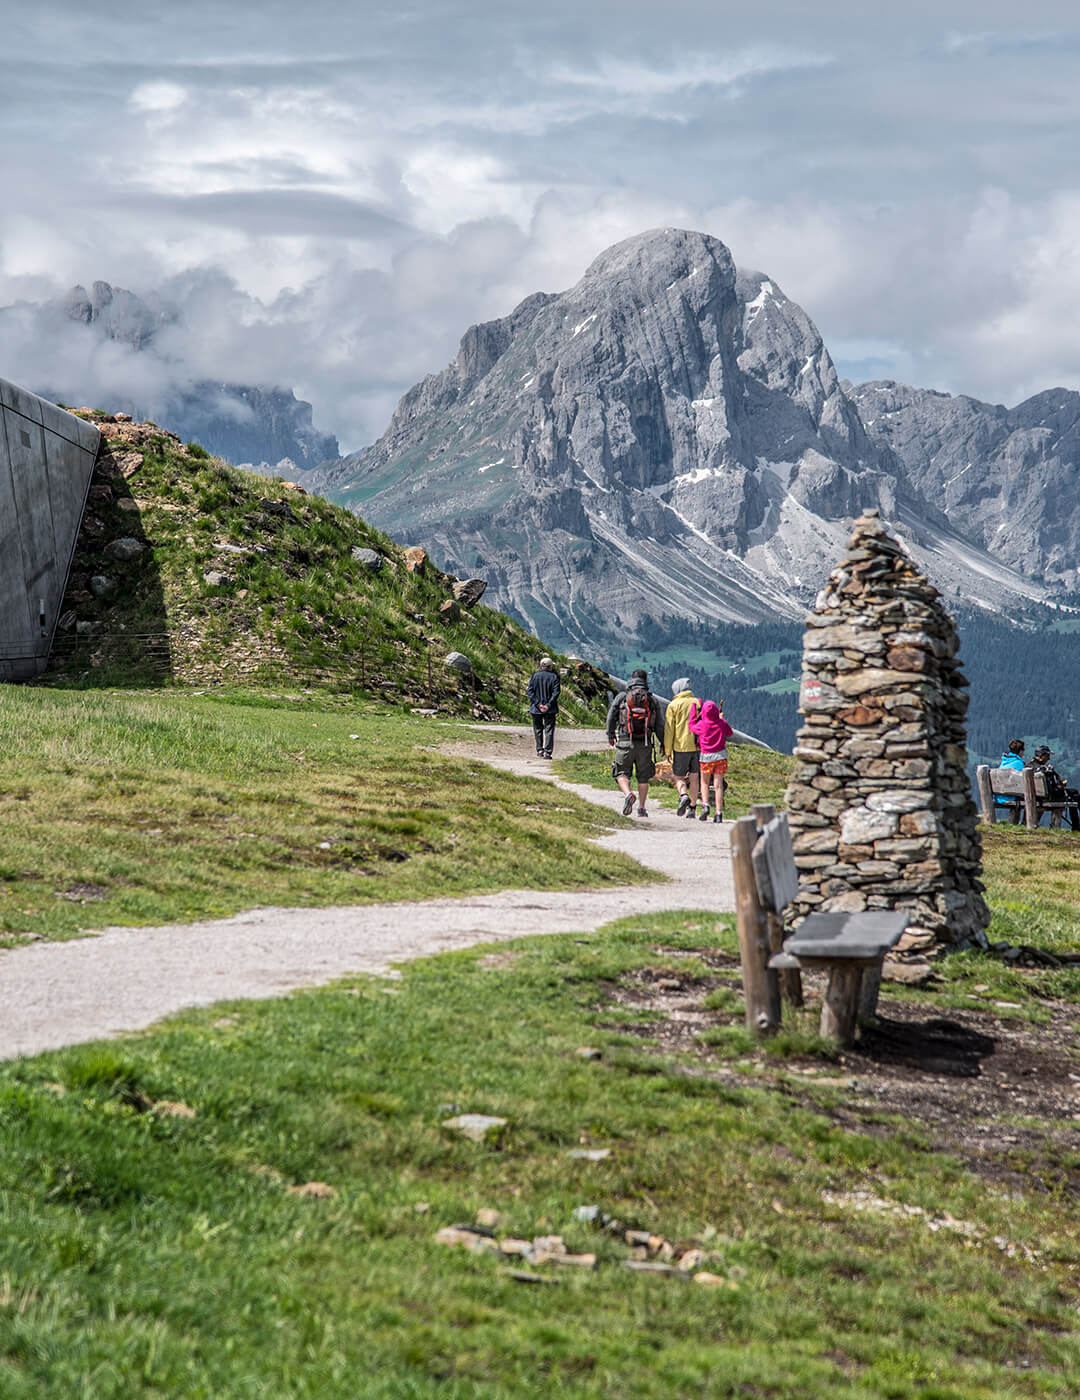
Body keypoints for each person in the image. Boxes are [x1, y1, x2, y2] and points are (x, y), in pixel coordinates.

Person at [606, 669, 664, 817]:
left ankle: (628, 794)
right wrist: (663, 743)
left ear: (631, 679)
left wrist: (611, 734)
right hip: (645, 743)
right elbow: (659, 725)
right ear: (645, 681)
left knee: (621, 772)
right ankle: (642, 808)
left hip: (625, 740)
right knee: (643, 776)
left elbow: (611, 716)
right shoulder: (651, 700)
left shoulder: (622, 697)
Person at [688, 697, 733, 822]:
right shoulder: (721, 723)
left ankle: (705, 805)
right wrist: (722, 718)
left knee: (705, 783)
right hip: (721, 756)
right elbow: (729, 733)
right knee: (718, 786)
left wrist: (693, 708)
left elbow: (691, 726)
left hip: (706, 757)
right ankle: (718, 813)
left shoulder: (702, 724)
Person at [664, 676, 701, 818]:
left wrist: (668, 750)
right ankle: (692, 808)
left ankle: (683, 795)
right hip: (697, 747)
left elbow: (669, 730)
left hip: (680, 746)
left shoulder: (674, 705)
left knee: (678, 777)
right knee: (694, 778)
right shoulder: (698, 703)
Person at [1031, 744, 1080, 831]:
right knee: (1074, 795)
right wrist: (1061, 785)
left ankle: (1076, 826)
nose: (1049, 758)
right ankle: (1076, 827)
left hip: (1035, 797)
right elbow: (1052, 789)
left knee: (1073, 793)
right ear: (1041, 756)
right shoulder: (1043, 770)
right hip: (1048, 798)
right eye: (1047, 756)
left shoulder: (1029, 766)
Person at [527, 657, 560, 759]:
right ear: (550, 666)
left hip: (536, 709)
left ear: (541, 665)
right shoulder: (554, 677)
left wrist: (538, 704)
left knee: (537, 729)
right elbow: (556, 693)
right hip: (550, 709)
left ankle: (539, 749)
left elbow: (530, 692)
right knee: (549, 729)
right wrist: (548, 705)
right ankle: (548, 752)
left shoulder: (534, 676)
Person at [997, 738, 1026, 819]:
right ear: (1020, 751)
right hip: (1011, 796)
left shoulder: (1004, 761)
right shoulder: (1019, 763)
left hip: (1000, 796)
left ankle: (1014, 823)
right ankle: (1026, 824)